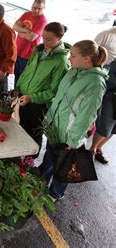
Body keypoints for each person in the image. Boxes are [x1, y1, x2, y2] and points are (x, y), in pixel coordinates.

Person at [40, 40, 108, 201]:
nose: (69, 58)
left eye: (73, 55)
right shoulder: (73, 72)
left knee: (63, 166)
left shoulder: (96, 83)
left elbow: (87, 115)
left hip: (70, 134)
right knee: (50, 157)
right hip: (55, 127)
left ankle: (55, 193)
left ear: (87, 58)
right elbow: (59, 98)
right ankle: (41, 183)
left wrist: (74, 139)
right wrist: (48, 117)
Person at [15, 22, 70, 157]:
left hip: (38, 103)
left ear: (60, 37)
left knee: (34, 131)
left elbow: (54, 91)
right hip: (23, 96)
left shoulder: (60, 61)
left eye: (49, 39)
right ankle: (19, 154)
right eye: (44, 37)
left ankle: (30, 159)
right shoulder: (38, 50)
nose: (45, 41)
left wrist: (32, 97)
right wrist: (18, 87)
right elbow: (27, 70)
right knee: (20, 125)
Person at [90, 25, 116, 163]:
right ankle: (92, 149)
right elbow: (92, 52)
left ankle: (98, 148)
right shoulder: (106, 34)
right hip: (110, 92)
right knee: (105, 125)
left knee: (113, 129)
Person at [13, 0, 48, 84]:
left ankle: (20, 96)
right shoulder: (26, 14)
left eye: (39, 9)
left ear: (44, 8)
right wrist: (27, 31)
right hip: (17, 51)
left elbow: (31, 37)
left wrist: (21, 30)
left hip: (28, 55)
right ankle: (15, 95)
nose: (36, 10)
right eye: (34, 7)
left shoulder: (43, 20)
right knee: (16, 74)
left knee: (23, 78)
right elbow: (14, 27)